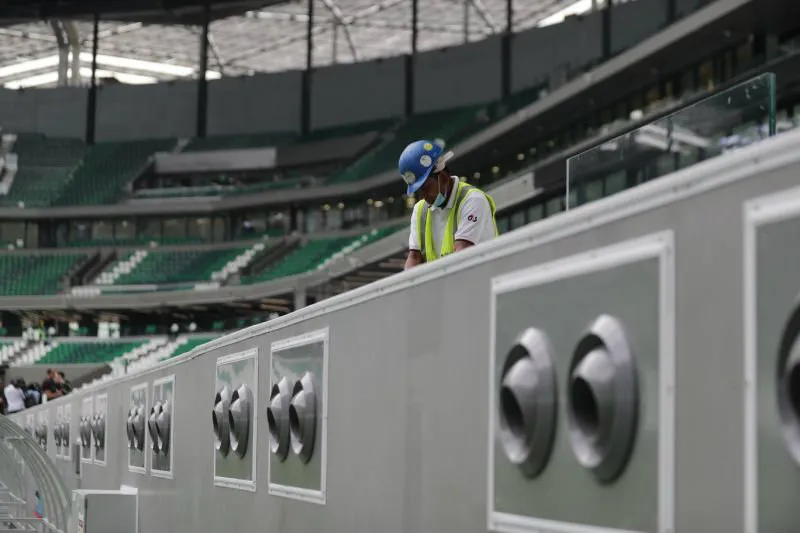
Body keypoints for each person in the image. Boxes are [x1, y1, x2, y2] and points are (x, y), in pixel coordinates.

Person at [399, 139, 498, 270]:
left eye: (426, 187)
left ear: (444, 178)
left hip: (481, 283)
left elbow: (462, 253)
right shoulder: (420, 210)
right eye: (419, 191)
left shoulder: (473, 200)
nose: (423, 196)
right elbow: (414, 257)